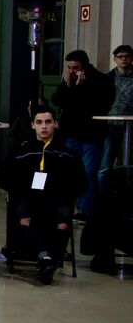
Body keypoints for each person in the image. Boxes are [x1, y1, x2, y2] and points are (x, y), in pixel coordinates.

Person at [0, 105, 86, 284]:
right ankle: (45, 259)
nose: (44, 126)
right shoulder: (21, 153)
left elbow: (81, 183)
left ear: (56, 124)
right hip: (28, 198)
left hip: (58, 198)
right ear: (32, 125)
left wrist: (66, 192)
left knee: (62, 220)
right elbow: (4, 178)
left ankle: (51, 258)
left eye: (48, 122)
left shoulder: (68, 155)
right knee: (24, 216)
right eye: (39, 122)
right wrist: (20, 191)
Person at [52, 49, 114, 218]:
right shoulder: (68, 80)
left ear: (84, 66)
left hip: (91, 134)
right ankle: (69, 206)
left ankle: (87, 210)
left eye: (75, 67)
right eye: (69, 67)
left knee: (88, 171)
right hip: (71, 133)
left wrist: (80, 88)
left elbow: (96, 105)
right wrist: (69, 86)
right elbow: (57, 101)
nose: (72, 71)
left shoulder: (101, 80)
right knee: (71, 171)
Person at [103, 45, 133, 179]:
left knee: (130, 163)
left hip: (132, 125)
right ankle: (104, 195)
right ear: (115, 59)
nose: (124, 59)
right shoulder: (107, 79)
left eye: (127, 56)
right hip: (112, 124)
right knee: (105, 165)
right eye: (120, 56)